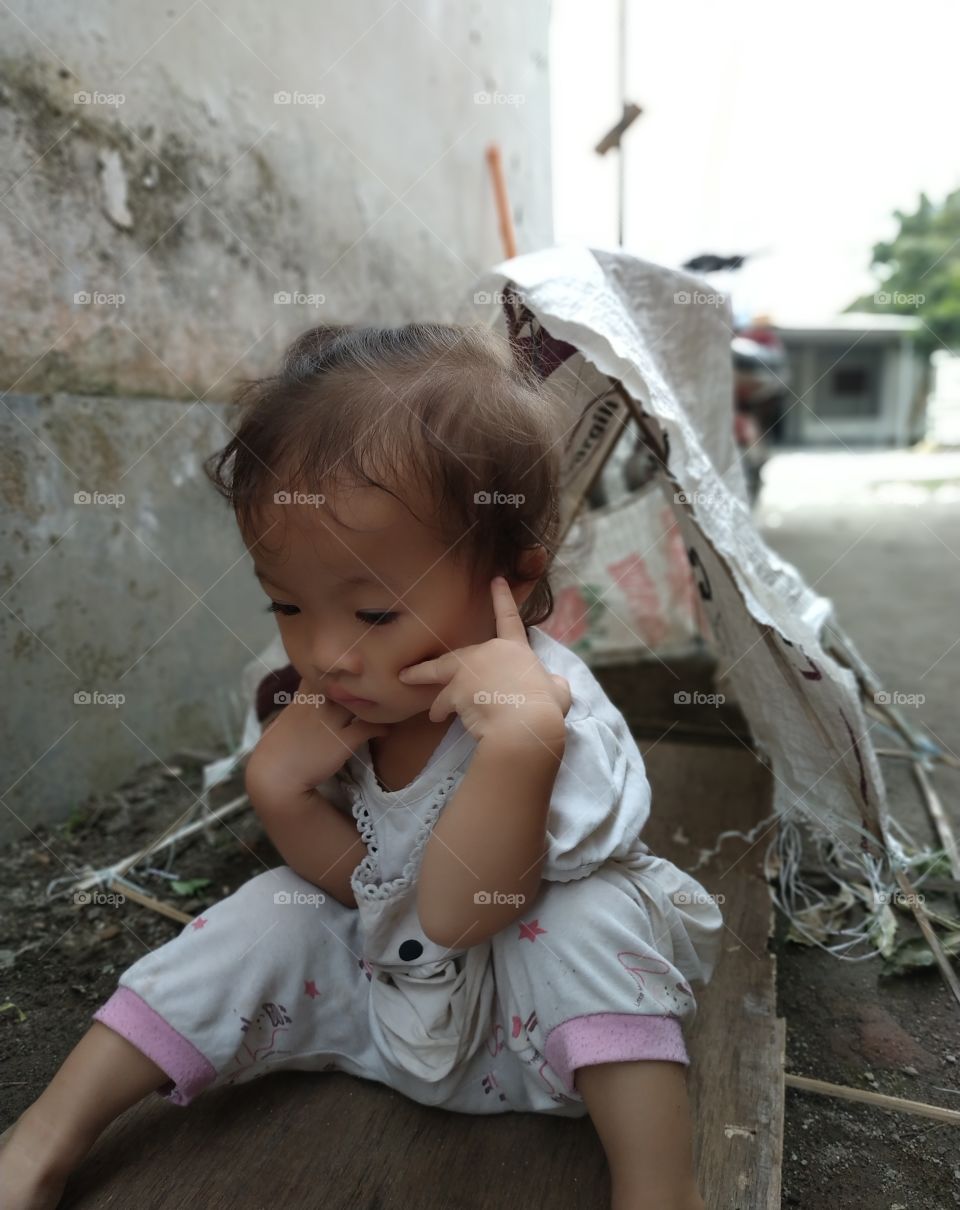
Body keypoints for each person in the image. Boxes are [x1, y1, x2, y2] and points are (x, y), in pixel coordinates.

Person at [0, 323, 723, 1210]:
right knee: (270, 909)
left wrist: (518, 748)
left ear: (513, 575)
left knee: (585, 922)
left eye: (375, 612)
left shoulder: (552, 715)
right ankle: (44, 1136)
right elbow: (363, 888)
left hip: (540, 1029)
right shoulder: (334, 701)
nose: (327, 653)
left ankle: (662, 1189)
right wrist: (280, 791)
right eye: (288, 603)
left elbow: (464, 915)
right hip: (391, 1005)